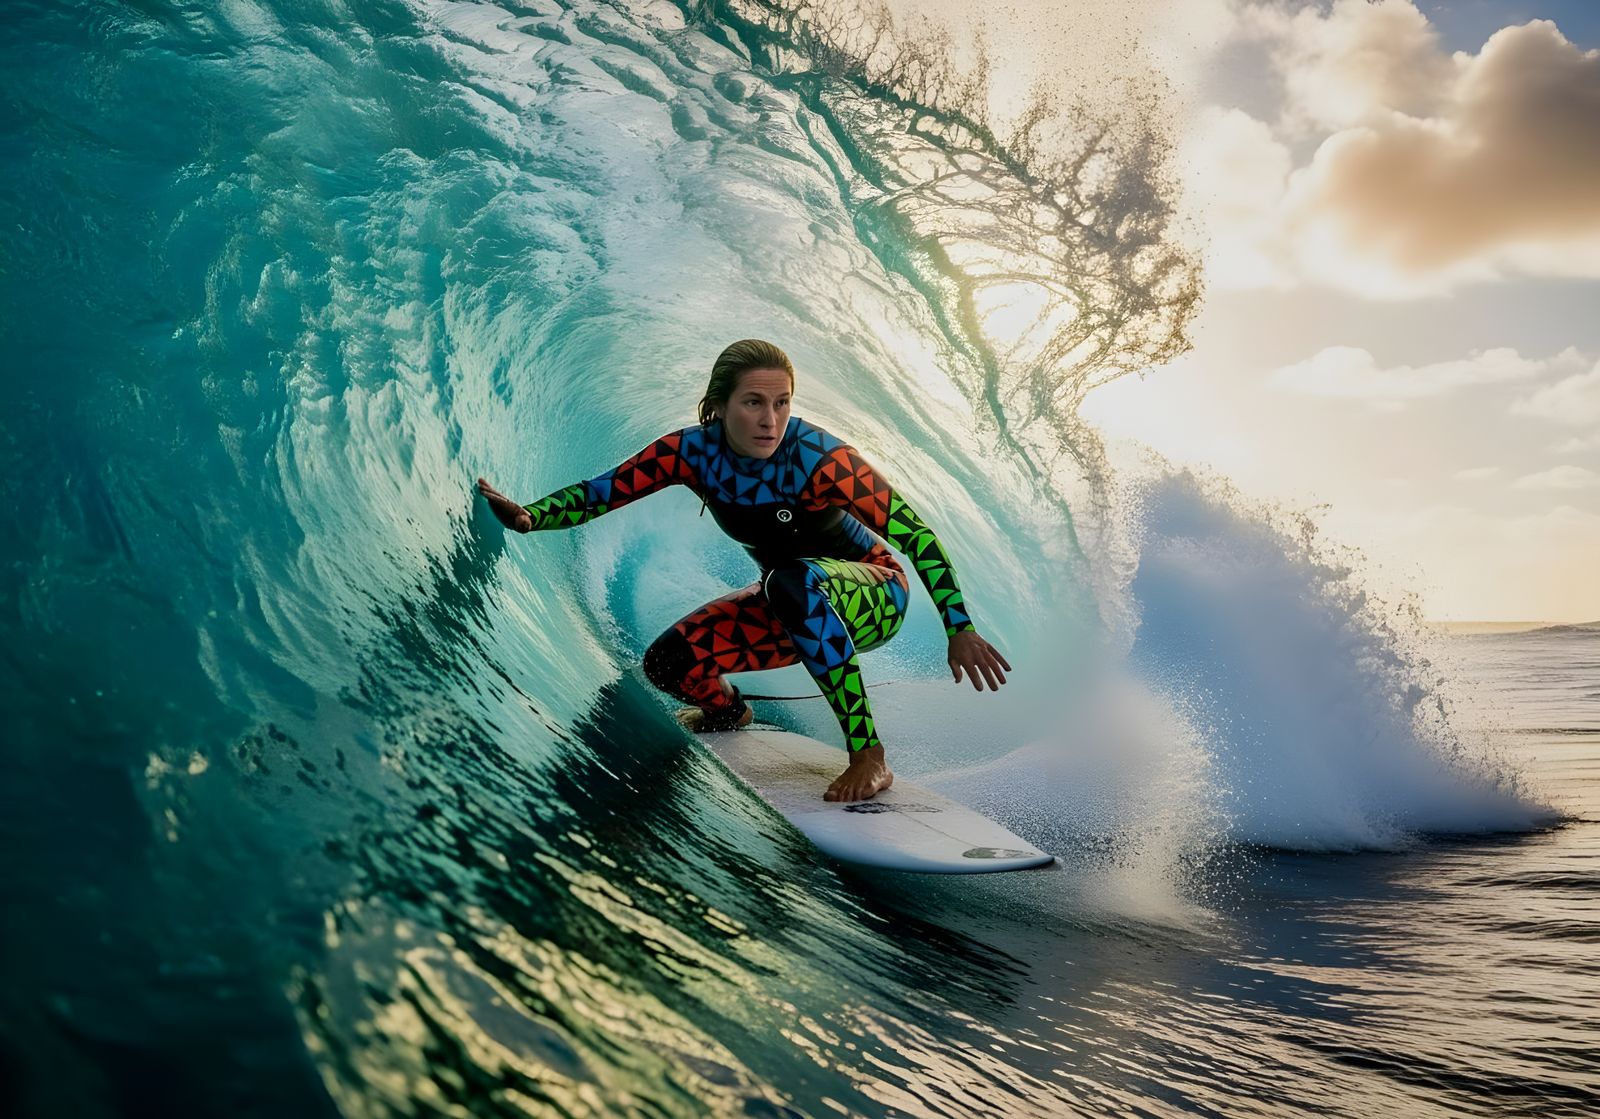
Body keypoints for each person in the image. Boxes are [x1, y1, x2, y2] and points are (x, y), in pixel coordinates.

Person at [477, 339, 1012, 802]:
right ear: (718, 406)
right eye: (754, 402)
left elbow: (916, 536)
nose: (770, 419)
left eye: (782, 403)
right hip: (790, 598)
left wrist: (959, 627)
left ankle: (870, 757)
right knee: (669, 665)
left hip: (873, 592)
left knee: (791, 581)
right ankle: (729, 713)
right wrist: (531, 517)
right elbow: (603, 492)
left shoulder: (821, 460)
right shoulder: (690, 454)